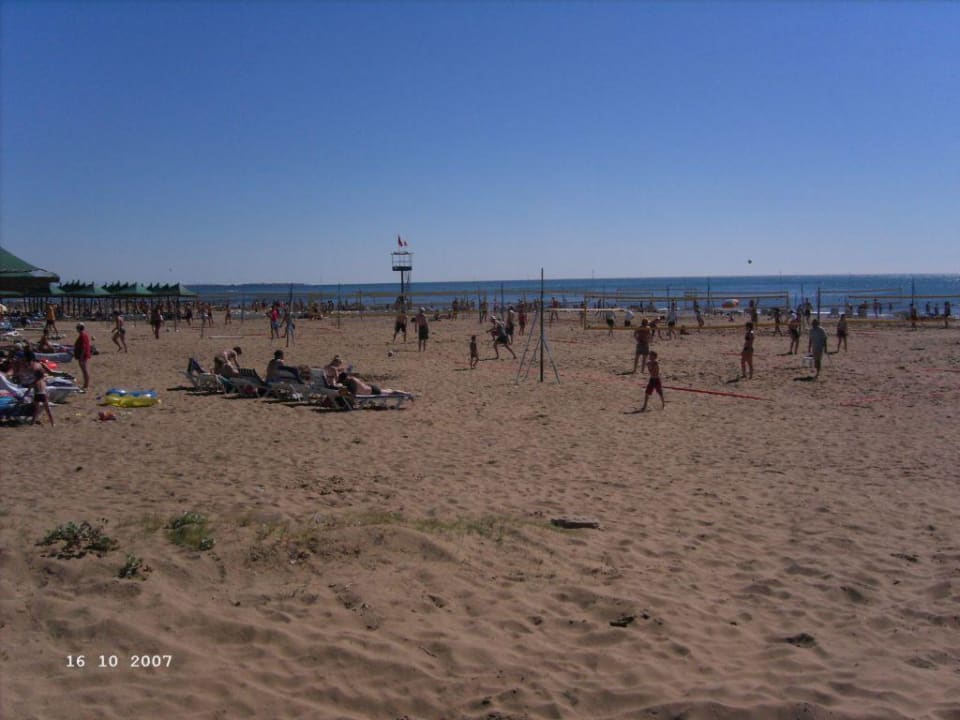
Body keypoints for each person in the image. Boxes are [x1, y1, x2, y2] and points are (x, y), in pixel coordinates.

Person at [25, 351, 54, 426]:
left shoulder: (35, 382)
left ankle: (32, 423)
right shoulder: (43, 381)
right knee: (48, 410)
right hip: (43, 394)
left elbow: (29, 390)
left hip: (37, 394)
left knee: (36, 410)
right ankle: (52, 423)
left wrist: (24, 395)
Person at [73, 323, 92, 389]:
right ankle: (86, 384)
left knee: (84, 370)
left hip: (83, 356)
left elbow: (84, 347)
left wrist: (81, 357)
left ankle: (86, 385)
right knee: (84, 370)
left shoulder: (82, 335)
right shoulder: (84, 334)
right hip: (83, 355)